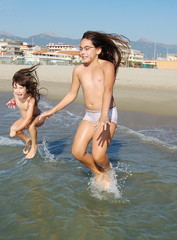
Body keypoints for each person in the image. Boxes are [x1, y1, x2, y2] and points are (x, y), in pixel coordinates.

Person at [40, 31, 129, 188]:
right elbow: (71, 94)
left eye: (87, 48)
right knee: (77, 152)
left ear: (98, 50)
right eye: (81, 48)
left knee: (99, 156)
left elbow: (108, 91)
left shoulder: (107, 66)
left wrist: (103, 116)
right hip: (89, 115)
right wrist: (52, 111)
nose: (82, 52)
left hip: (107, 113)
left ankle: (109, 172)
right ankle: (98, 173)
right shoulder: (78, 70)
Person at [6, 64, 45, 159]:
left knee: (30, 126)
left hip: (38, 118)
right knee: (13, 130)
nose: (17, 91)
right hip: (25, 118)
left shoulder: (31, 99)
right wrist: (12, 101)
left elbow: (28, 119)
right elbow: (15, 97)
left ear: (26, 88)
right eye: (15, 88)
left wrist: (20, 127)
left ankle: (34, 146)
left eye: (20, 88)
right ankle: (28, 140)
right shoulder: (16, 94)